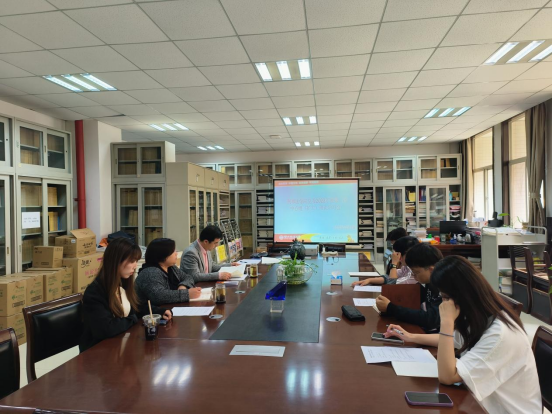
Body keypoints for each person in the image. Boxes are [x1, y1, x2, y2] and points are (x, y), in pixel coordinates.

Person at [384, 256, 541, 413]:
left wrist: (446, 322)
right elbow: (452, 340)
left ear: (462, 295)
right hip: (478, 403)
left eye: (445, 297)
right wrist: (411, 336)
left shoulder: (500, 334)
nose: (443, 304)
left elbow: (448, 376)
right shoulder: (479, 315)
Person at [80, 238, 172, 353]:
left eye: (136, 261)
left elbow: (136, 308)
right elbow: (105, 328)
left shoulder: (122, 284)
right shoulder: (95, 292)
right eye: (132, 261)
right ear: (116, 261)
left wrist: (158, 311)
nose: (135, 266)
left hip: (119, 347)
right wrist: (132, 319)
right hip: (98, 353)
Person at [375, 243, 443, 332]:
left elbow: (430, 319)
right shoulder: (428, 282)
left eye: (416, 273)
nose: (414, 277)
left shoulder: (444, 288)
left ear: (431, 270)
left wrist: (390, 308)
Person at [135, 238, 202, 305]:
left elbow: (188, 277)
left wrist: (183, 285)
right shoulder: (150, 273)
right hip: (154, 311)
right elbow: (159, 296)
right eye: (173, 251)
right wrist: (187, 294)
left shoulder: (171, 267)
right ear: (163, 255)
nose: (176, 253)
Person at [352, 236, 418, 287]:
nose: (398, 257)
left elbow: (392, 285)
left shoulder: (415, 272)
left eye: (397, 254)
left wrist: (394, 263)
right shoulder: (406, 267)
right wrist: (369, 280)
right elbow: (388, 277)